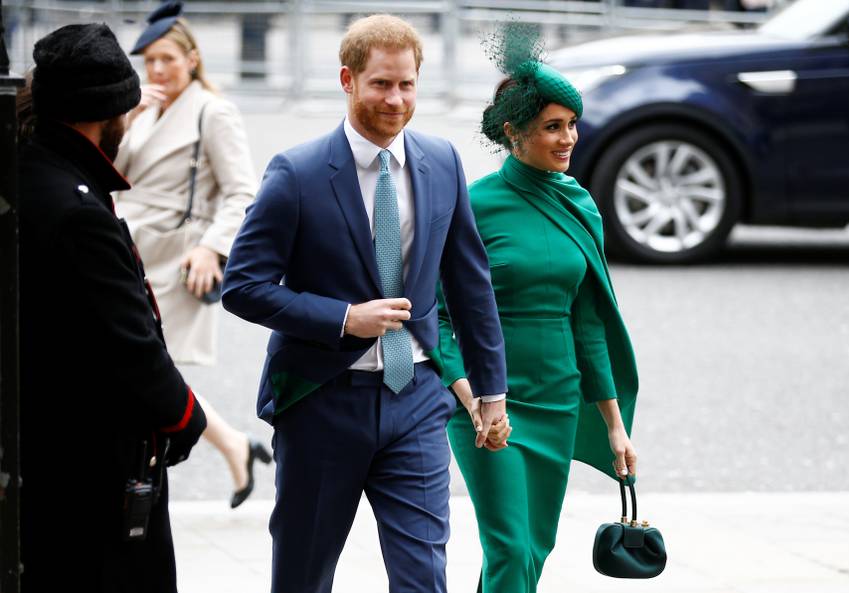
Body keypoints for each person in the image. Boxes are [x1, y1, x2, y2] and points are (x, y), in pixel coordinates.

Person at [222, 14, 508, 593]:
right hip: (323, 402)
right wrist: (344, 318)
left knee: (424, 579)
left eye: (407, 85)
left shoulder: (442, 161)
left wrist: (491, 389)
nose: (395, 100)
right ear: (347, 79)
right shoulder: (297, 173)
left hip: (417, 400)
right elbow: (243, 286)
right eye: (381, 84)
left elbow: (470, 284)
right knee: (303, 575)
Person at [435, 24, 640, 592]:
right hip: (487, 401)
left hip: (557, 400)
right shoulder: (473, 204)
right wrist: (470, 396)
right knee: (510, 548)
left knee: (534, 549)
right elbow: (438, 315)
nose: (568, 138)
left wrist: (614, 425)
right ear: (513, 132)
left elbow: (588, 324)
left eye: (572, 123)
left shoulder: (581, 205)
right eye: (553, 126)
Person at [18, 23, 207, 592]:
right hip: (89, 457)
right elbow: (128, 341)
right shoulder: (78, 210)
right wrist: (185, 417)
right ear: (108, 116)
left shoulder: (35, 168)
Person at [115, 1, 270, 508]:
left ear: (193, 59)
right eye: (150, 61)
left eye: (168, 59)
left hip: (177, 259)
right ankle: (234, 447)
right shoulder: (146, 107)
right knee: (149, 373)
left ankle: (146, 481)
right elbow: (114, 172)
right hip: (131, 250)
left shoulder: (211, 111)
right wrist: (129, 115)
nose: (158, 70)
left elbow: (242, 191)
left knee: (148, 373)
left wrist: (212, 247)